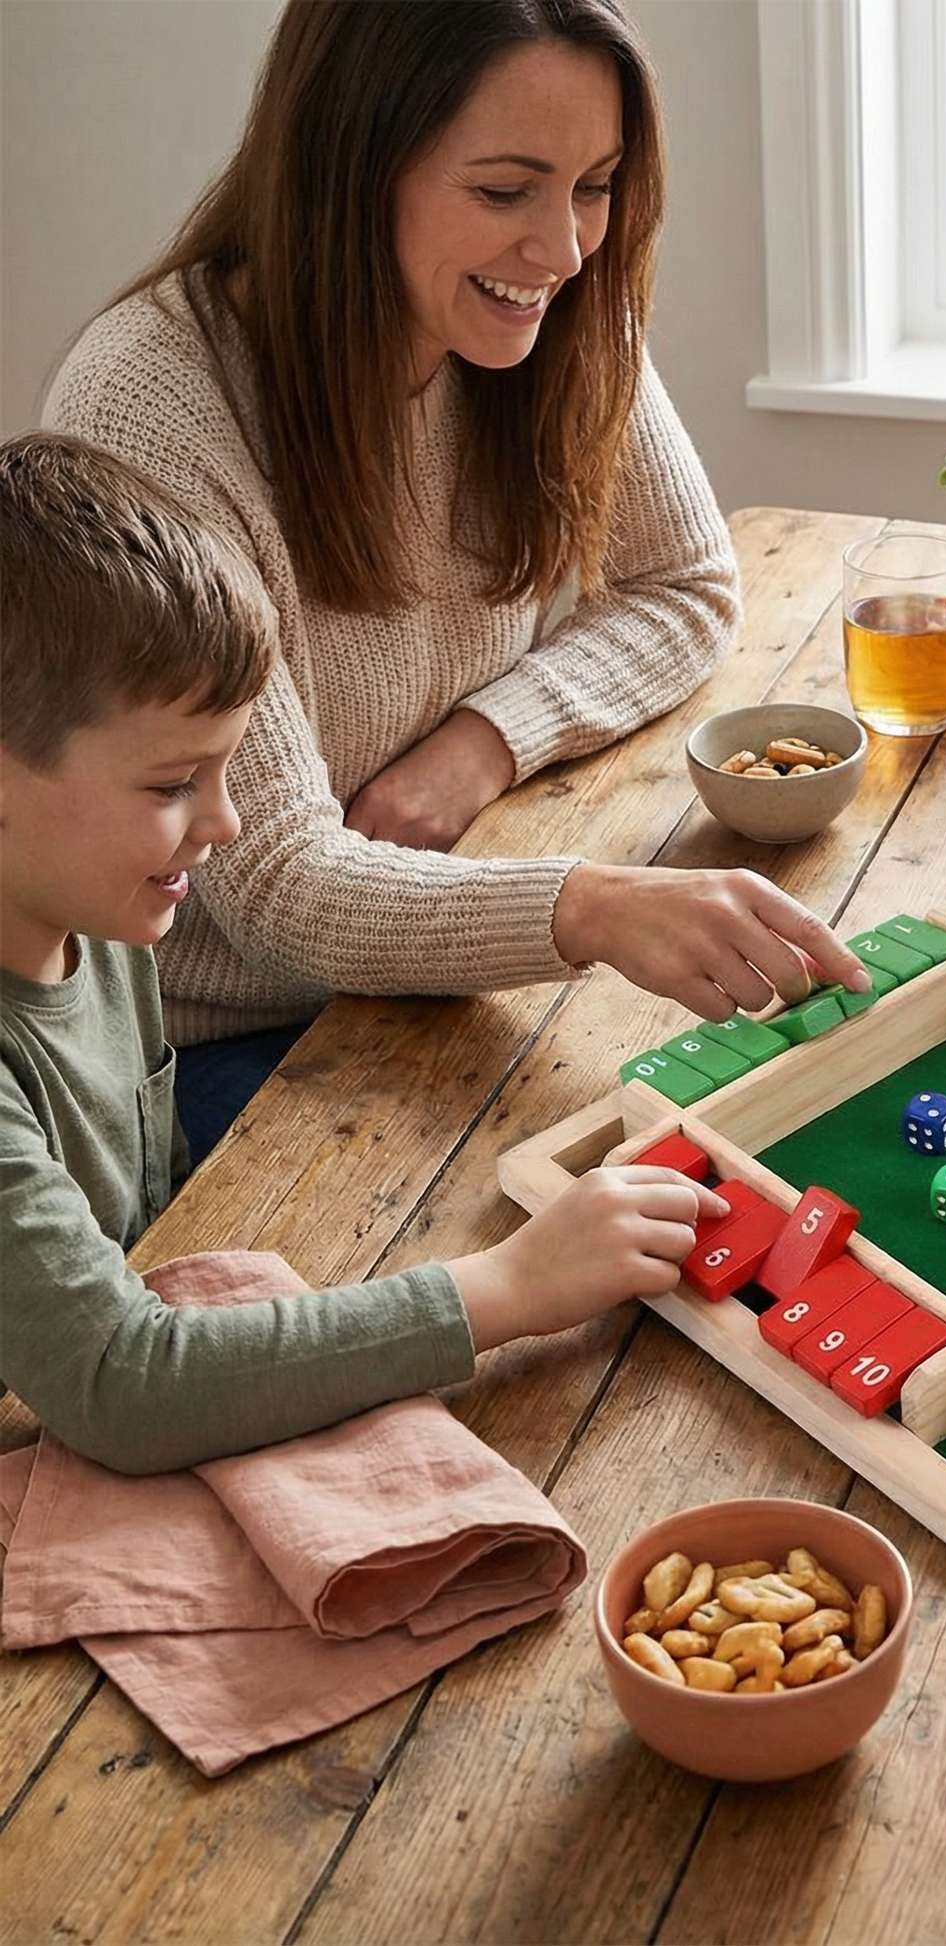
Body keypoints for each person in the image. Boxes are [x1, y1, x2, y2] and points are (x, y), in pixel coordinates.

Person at [42, 0, 866, 1163]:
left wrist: (481, 740)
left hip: (463, 897)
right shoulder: (152, 408)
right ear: (346, 167)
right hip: (242, 1032)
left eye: (596, 183)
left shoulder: (549, 305)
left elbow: (681, 584)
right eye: (504, 191)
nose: (566, 249)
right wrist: (588, 905)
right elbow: (278, 881)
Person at [0, 430, 732, 1476]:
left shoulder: (92, 913)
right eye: (171, 786)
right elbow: (122, 1381)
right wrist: (512, 1286)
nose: (227, 821)